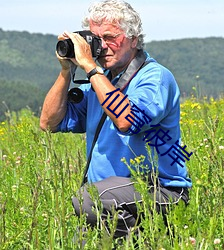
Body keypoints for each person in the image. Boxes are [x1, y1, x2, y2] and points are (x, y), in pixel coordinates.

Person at [40, 0, 192, 244]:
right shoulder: (99, 83)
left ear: (133, 39)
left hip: (160, 191)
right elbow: (49, 123)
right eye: (96, 39)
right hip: (111, 199)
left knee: (88, 199)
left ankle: (146, 241)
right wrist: (66, 70)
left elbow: (128, 121)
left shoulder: (154, 77)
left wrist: (90, 67)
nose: (102, 47)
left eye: (110, 37)